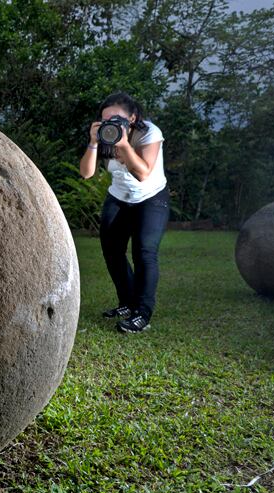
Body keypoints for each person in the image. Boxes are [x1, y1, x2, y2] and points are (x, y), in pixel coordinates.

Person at [79, 92, 170, 333]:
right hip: (119, 197)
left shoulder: (149, 133)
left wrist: (123, 144)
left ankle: (142, 313)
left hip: (151, 197)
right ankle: (127, 303)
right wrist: (93, 142)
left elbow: (143, 173)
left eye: (116, 119)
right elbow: (86, 173)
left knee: (144, 253)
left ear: (132, 118)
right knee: (112, 252)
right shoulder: (104, 136)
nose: (110, 124)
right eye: (105, 119)